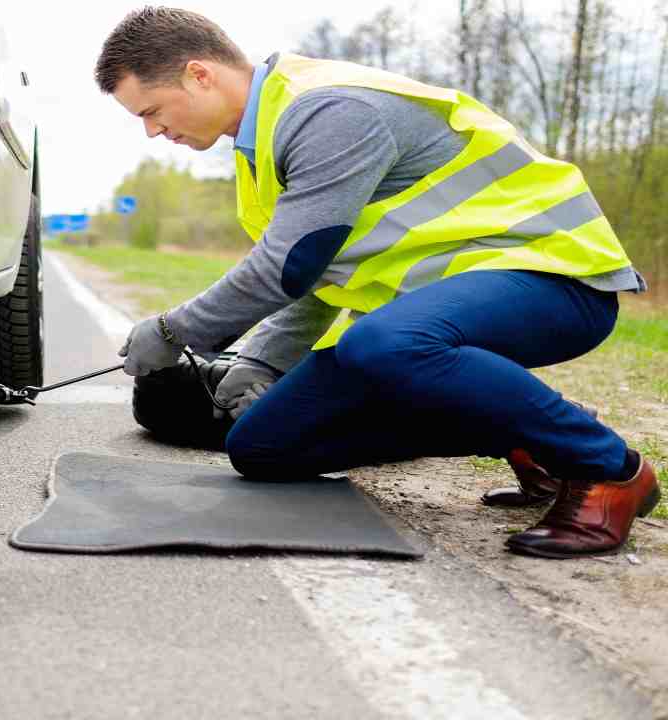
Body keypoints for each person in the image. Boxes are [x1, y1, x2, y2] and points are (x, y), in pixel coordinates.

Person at [96, 6, 660, 559]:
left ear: (199, 74)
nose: (151, 131)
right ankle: (528, 431)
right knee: (262, 445)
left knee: (381, 344)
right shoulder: (260, 148)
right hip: (441, 313)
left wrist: (174, 331)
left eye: (151, 110)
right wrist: (263, 361)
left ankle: (608, 470)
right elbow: (317, 271)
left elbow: (288, 263)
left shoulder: (328, 110)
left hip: (555, 280)